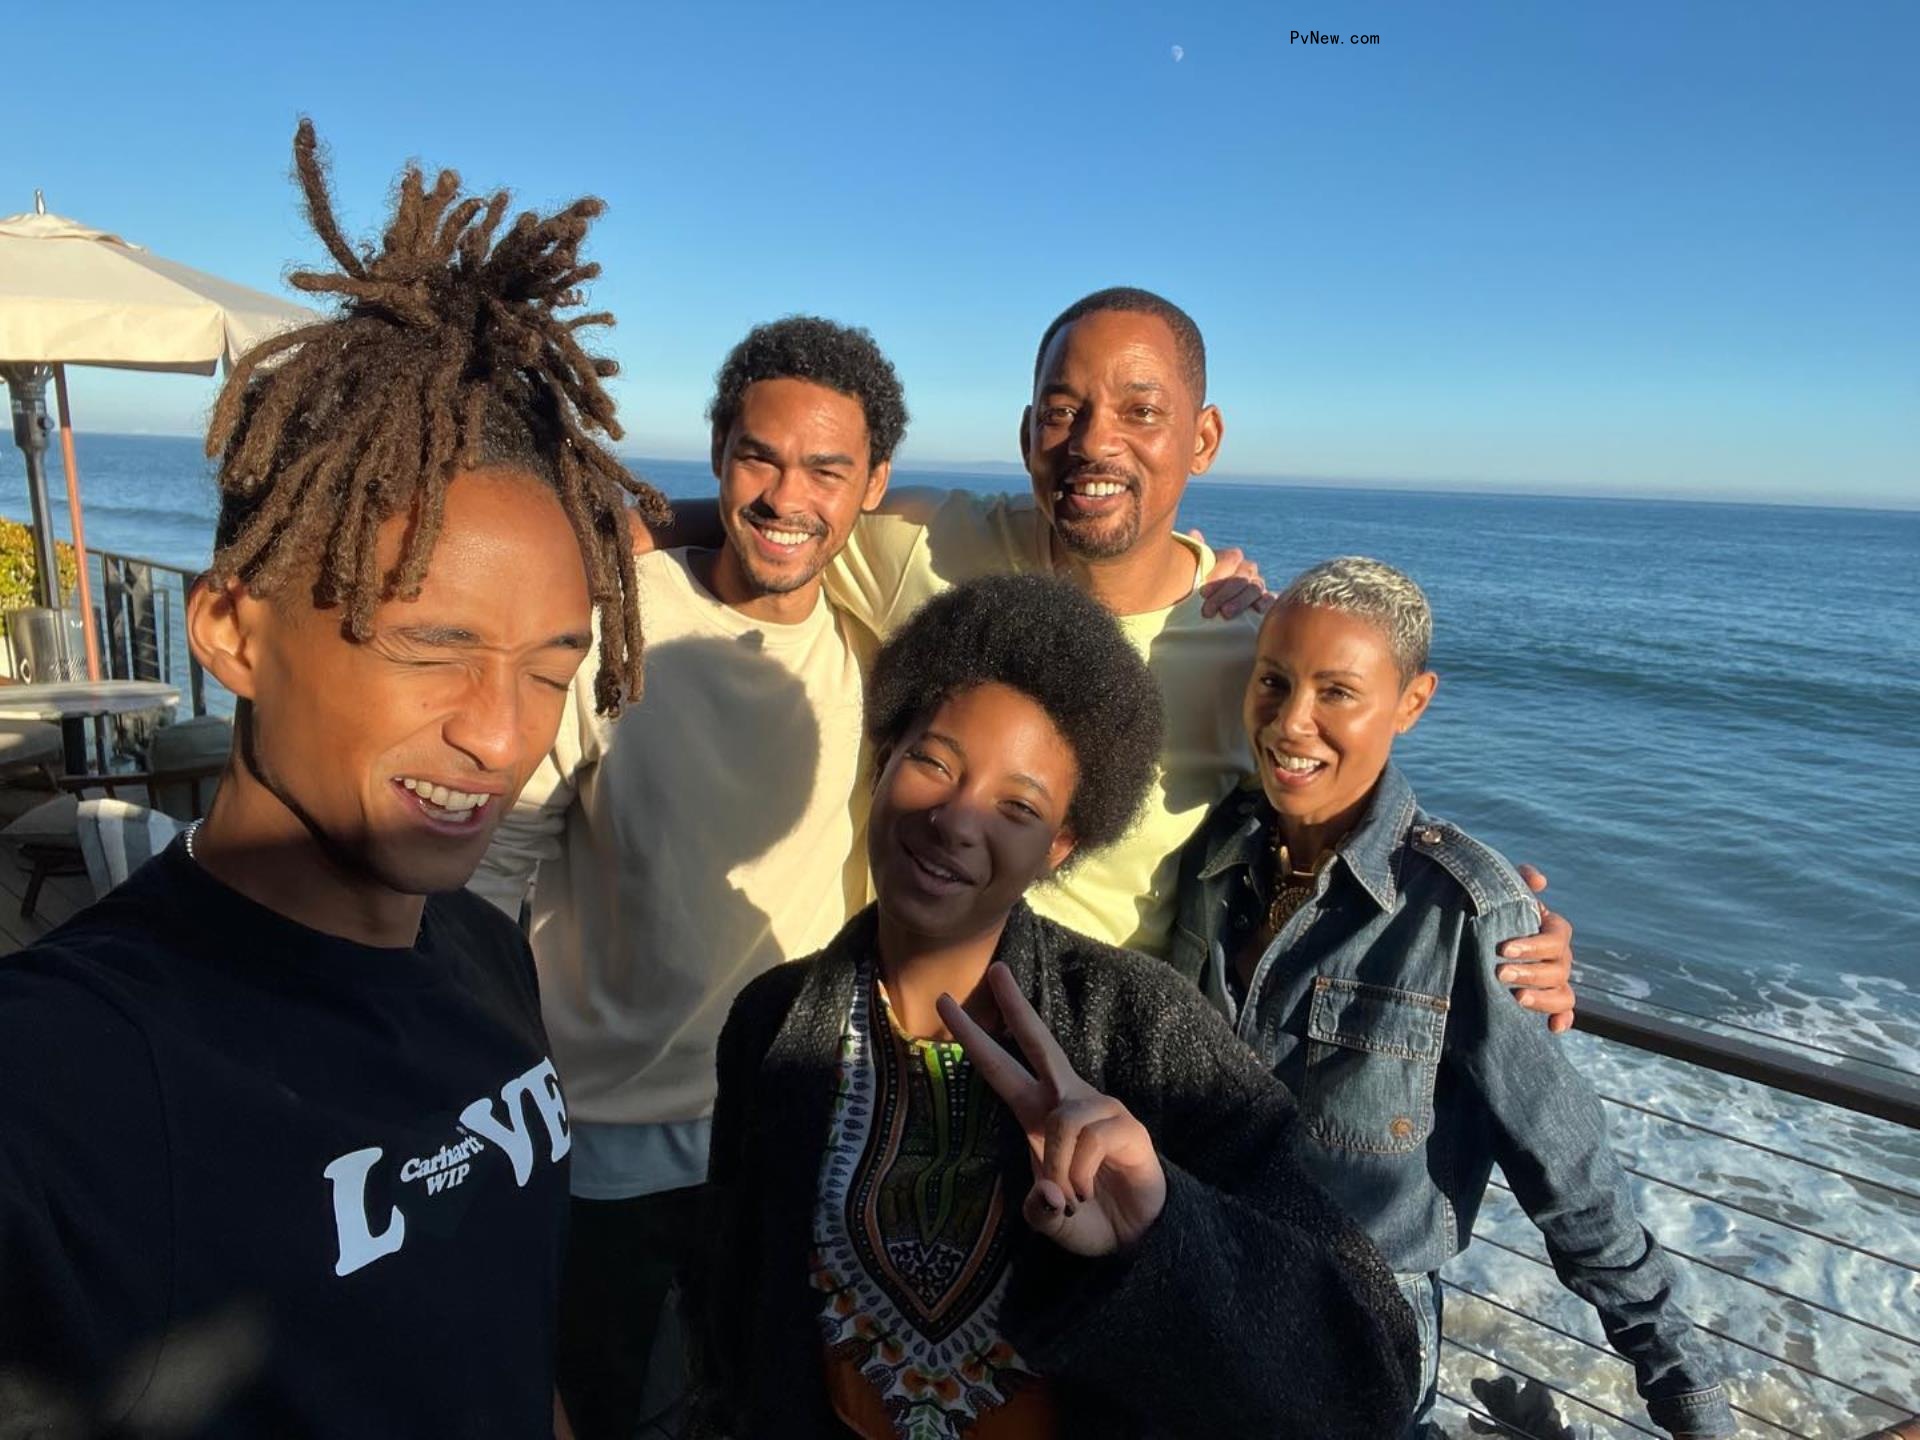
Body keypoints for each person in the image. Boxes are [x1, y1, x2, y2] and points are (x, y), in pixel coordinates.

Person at [0, 121, 663, 1437]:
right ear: (234, 630)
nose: (501, 734)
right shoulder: (69, 1086)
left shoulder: (481, 951)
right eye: (434, 644)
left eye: (552, 664)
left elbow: (500, 1321)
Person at [689, 574, 1420, 1440]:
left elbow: (1368, 1371)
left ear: (1061, 846)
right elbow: (736, 1312)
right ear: (882, 758)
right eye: (934, 761)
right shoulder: (772, 1022)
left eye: (1018, 806)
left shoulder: (1143, 1031)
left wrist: (1161, 1232)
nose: (959, 820)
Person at [814, 287, 1580, 1025]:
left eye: (1140, 411)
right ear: (1026, 435)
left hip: (1083, 1067)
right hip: (869, 1028)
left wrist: (1490, 917)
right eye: (1062, 412)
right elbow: (769, 517)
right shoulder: (928, 544)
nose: (1093, 441)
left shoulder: (1245, 655)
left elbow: (1339, 832)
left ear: (1204, 439)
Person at [1170, 557, 1735, 1438]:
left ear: (1412, 702)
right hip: (1196, 1296)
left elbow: (1569, 1170)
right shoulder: (1214, 860)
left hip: (1355, 1338)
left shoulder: (1463, 910)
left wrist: (1690, 1399)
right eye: (1274, 681)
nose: (1291, 722)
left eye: (1337, 692)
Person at [471, 316, 909, 1439]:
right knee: (602, 1403)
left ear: (874, 488)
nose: (785, 495)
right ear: (719, 449)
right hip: (598, 1129)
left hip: (788, 1126)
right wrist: (463, 1041)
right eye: (760, 455)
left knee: (766, 1403)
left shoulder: (874, 650)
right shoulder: (616, 615)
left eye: (828, 469)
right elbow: (505, 851)